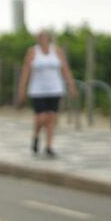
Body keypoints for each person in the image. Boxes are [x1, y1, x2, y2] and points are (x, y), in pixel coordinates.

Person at [18, 30, 78, 158]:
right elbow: (26, 70)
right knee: (41, 117)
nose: (43, 39)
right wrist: (22, 88)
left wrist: (71, 85)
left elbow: (65, 69)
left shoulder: (56, 51)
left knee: (51, 118)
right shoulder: (33, 52)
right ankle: (36, 135)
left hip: (54, 88)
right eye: (41, 37)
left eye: (45, 37)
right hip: (37, 89)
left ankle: (49, 146)